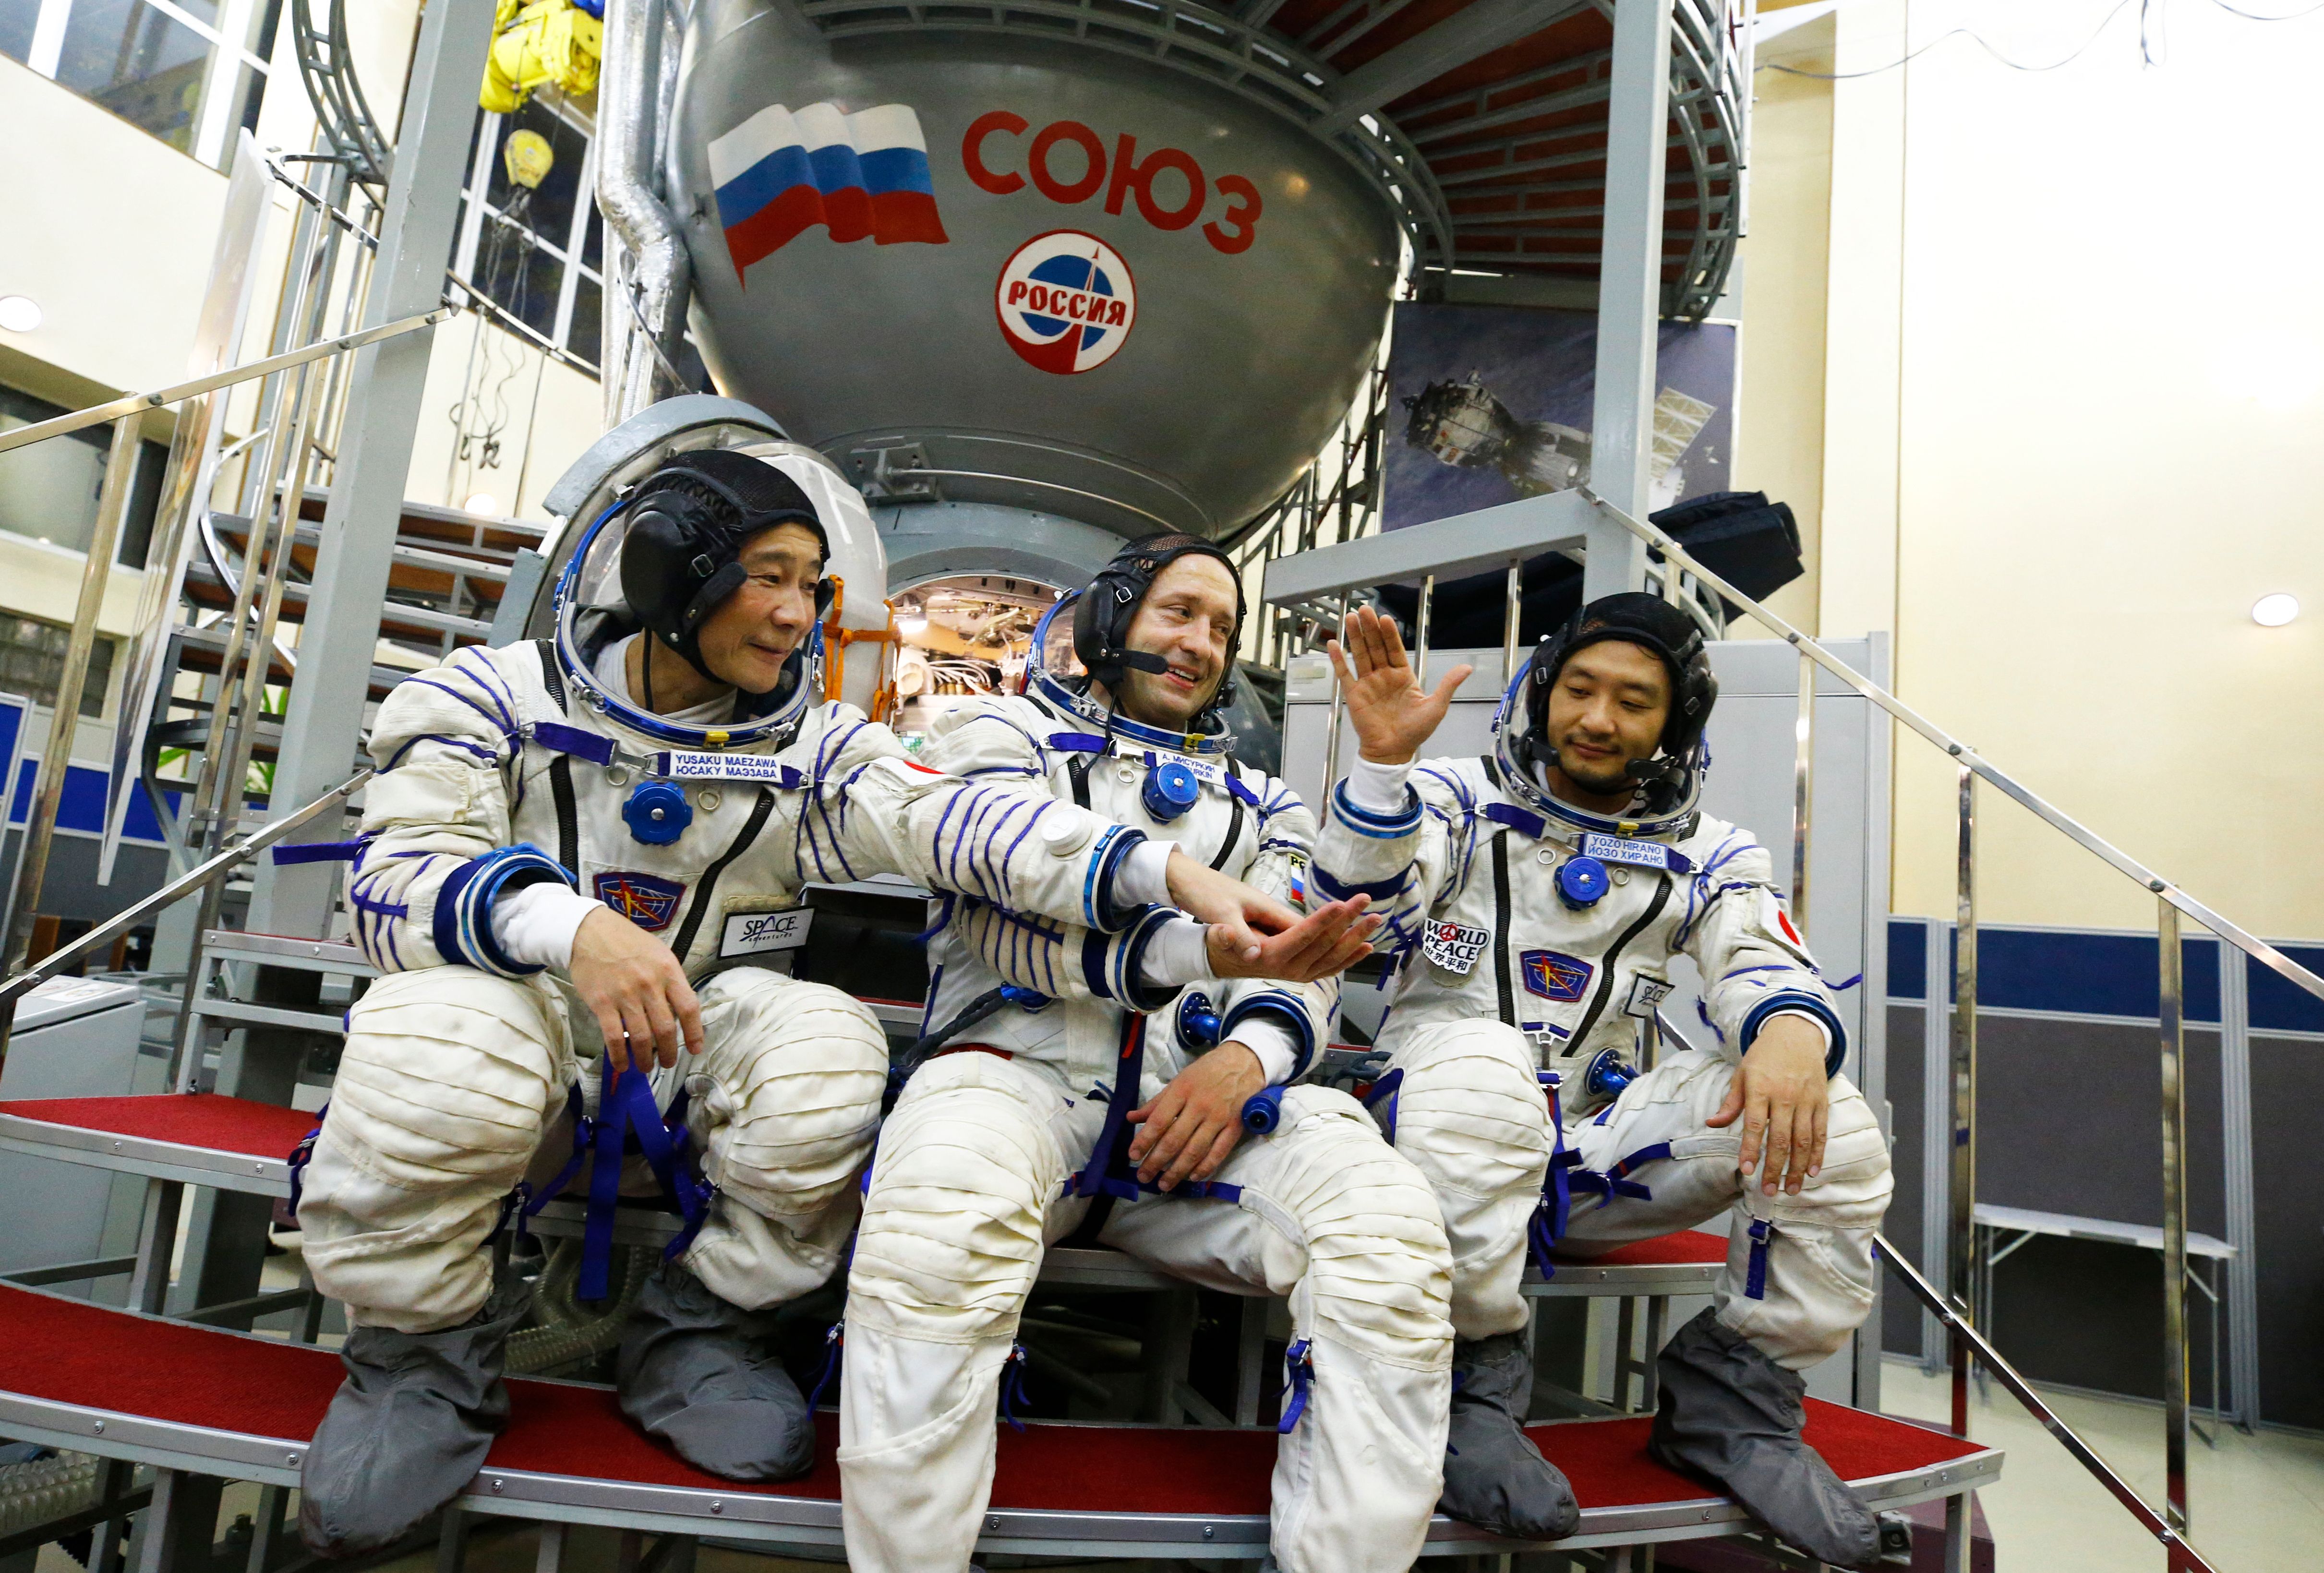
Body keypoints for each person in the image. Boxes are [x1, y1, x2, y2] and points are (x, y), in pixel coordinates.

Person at [291, 450, 1368, 1557]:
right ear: (674, 573)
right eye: (769, 578)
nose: (796, 617)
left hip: (689, 1064)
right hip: (522, 1049)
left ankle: (703, 1325)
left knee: (830, 1051)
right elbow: (393, 882)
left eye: (813, 587)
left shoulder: (814, 747)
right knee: (436, 1033)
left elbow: (962, 824)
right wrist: (571, 930)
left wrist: (1167, 876)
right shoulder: (486, 696)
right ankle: (417, 1360)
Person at [835, 535, 1451, 1573]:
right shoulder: (1003, 737)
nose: (1200, 643)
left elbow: (1327, 945)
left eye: (1220, 627)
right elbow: (994, 885)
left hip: (1197, 1119)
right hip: (1013, 1081)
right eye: (1177, 612)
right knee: (940, 1222)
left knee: (1389, 1234)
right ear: (1110, 618)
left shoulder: (1265, 804)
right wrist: (1184, 912)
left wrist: (1249, 1058)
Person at [1314, 594, 1895, 1569]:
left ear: (1674, 722)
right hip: (1434, 1140)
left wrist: (1791, 1029)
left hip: (1594, 1153)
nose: (1597, 719)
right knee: (1482, 1065)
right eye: (1579, 689)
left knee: (1831, 1119)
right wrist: (1381, 768)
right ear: (1544, 696)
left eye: (1634, 700)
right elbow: (1348, 907)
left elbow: (1763, 959)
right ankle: (1468, 1390)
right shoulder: (1453, 799)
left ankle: (1733, 1405)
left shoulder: (1713, 852)